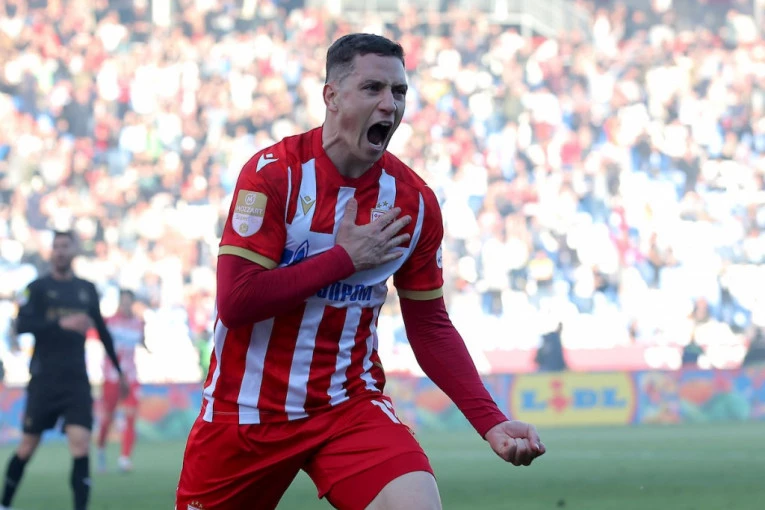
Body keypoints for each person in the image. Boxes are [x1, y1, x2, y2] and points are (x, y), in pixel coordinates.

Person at [176, 33, 546, 510]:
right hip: (245, 412)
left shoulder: (413, 201)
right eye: (373, 88)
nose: (390, 104)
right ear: (331, 96)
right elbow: (236, 302)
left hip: (347, 407)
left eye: (399, 91)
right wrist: (344, 259)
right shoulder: (273, 175)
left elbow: (430, 326)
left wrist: (489, 419)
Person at [0, 231, 127, 510]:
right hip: (44, 380)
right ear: (51, 252)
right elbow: (21, 325)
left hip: (76, 381)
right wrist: (61, 324)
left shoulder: (86, 290)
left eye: (65, 246)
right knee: (27, 447)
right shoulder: (37, 288)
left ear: (74, 251)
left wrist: (119, 371)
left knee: (80, 445)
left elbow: (103, 332)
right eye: (56, 247)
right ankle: (5, 504)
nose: (60, 251)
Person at [96, 289, 147, 474]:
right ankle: (101, 449)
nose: (125, 305)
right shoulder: (109, 322)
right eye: (123, 301)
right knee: (108, 418)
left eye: (128, 302)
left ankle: (124, 458)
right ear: (119, 302)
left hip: (131, 376)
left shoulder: (138, 323)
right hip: (112, 376)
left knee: (131, 415)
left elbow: (142, 342)